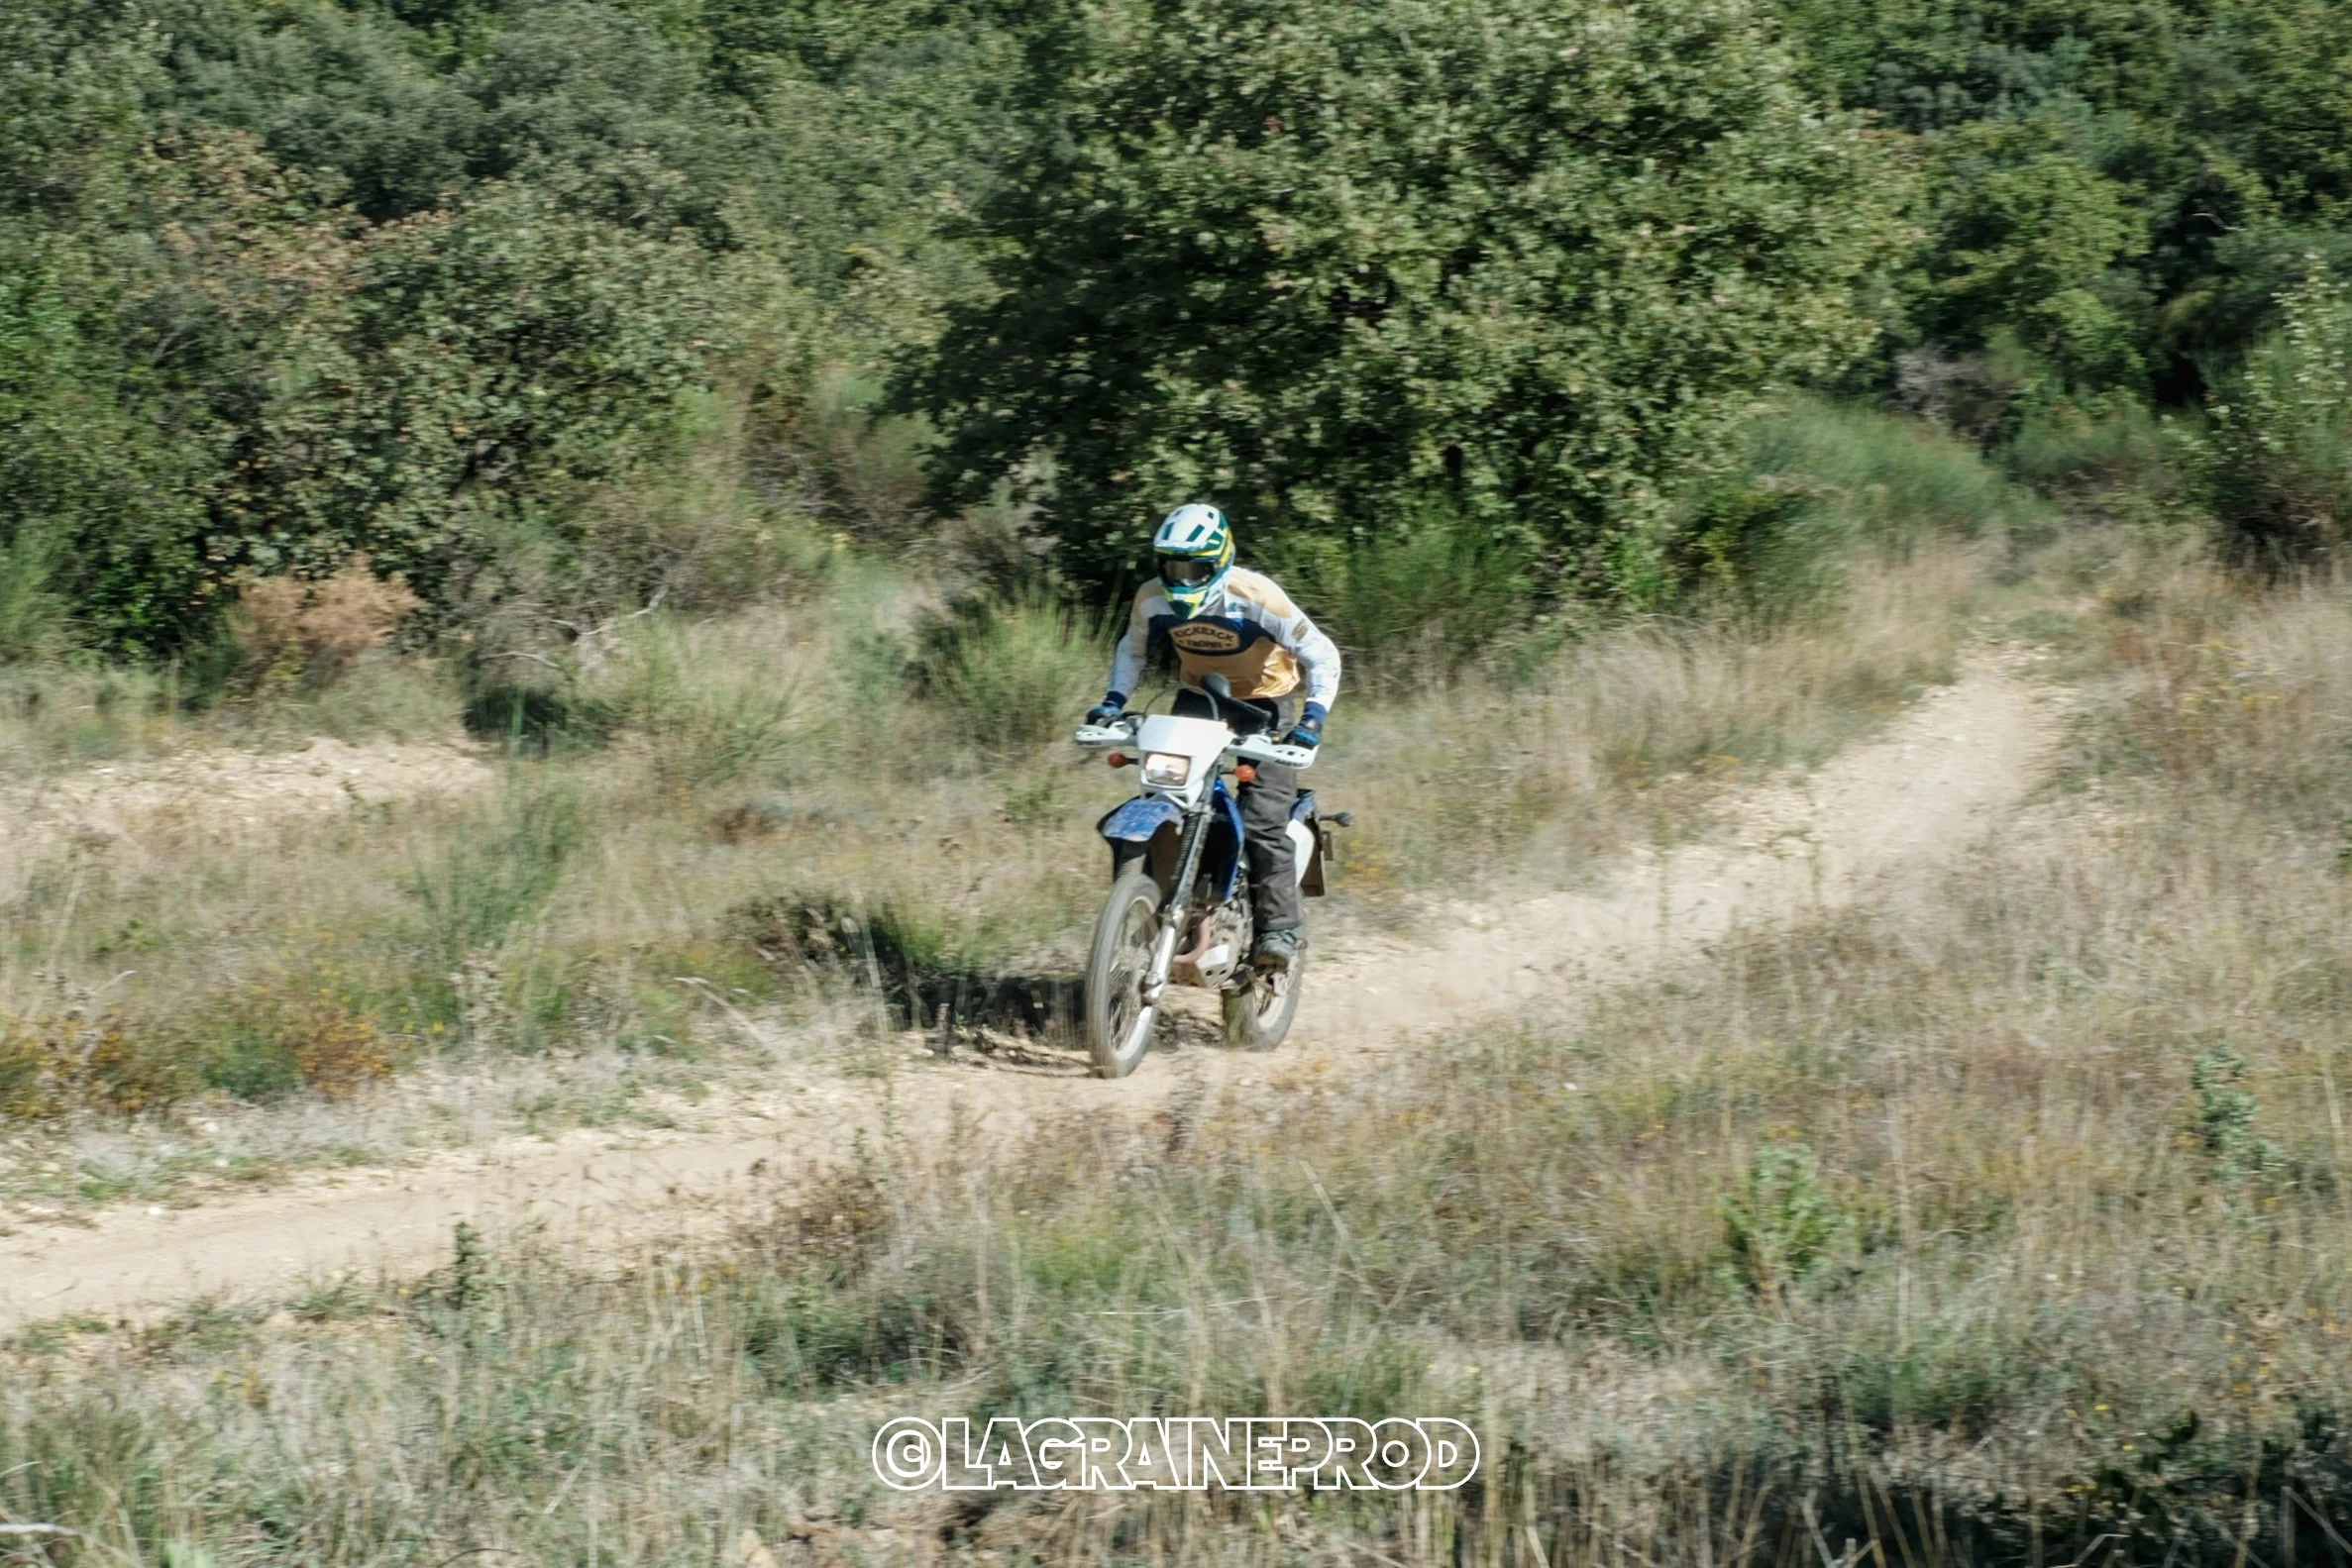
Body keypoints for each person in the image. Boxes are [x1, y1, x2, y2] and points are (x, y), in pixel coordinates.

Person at [1086, 503, 1341, 972]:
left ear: (1220, 560)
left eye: (1195, 568)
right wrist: (1114, 701)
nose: (1182, 580)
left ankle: (1278, 929)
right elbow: (1133, 648)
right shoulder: (1151, 598)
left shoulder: (1258, 596)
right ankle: (1158, 901)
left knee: (1263, 818)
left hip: (1268, 705)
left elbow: (1322, 655)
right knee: (1168, 791)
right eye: (1172, 567)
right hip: (1198, 700)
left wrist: (1311, 722)